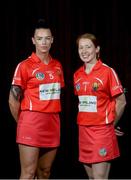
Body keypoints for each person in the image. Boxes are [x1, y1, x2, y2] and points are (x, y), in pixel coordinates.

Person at [8, 18, 65, 179]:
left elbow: (54, 96)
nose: (44, 42)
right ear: (34, 41)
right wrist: (23, 123)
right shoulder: (24, 65)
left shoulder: (58, 66)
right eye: (39, 39)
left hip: (52, 123)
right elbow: (12, 100)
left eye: (47, 38)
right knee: (28, 173)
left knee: (45, 172)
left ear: (52, 40)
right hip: (31, 123)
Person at [73, 33, 126, 179]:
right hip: (83, 131)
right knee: (91, 178)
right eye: (80, 48)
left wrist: (110, 124)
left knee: (99, 178)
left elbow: (121, 101)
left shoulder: (107, 71)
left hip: (101, 132)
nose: (84, 51)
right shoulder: (77, 74)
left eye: (88, 47)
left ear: (97, 49)